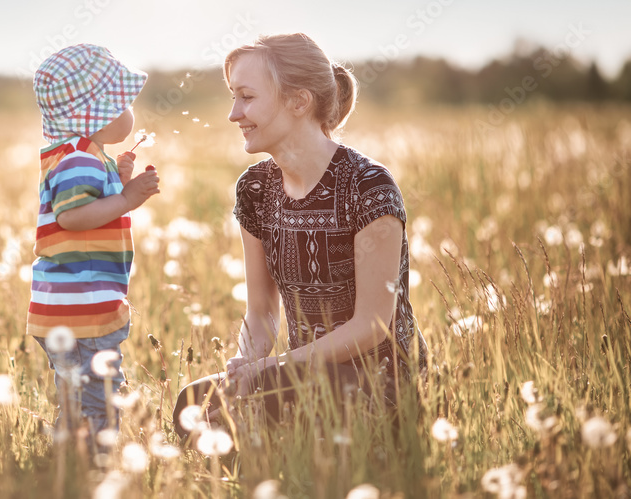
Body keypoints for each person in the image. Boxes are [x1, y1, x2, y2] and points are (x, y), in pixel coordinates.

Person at [172, 33, 428, 436]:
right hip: (298, 376)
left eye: (247, 97)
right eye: (232, 97)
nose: (233, 114)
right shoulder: (255, 189)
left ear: (298, 101)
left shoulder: (368, 186)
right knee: (193, 404)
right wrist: (245, 366)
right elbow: (261, 313)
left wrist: (269, 369)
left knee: (272, 405)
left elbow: (372, 324)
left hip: (379, 381)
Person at [27, 43, 161, 443]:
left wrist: (117, 179)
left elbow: (84, 204)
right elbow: (72, 217)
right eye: (122, 103)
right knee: (98, 397)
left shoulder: (79, 154)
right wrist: (127, 198)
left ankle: (67, 456)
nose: (130, 112)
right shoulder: (78, 160)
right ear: (98, 114)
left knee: (75, 396)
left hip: (65, 306)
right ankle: (95, 463)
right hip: (83, 308)